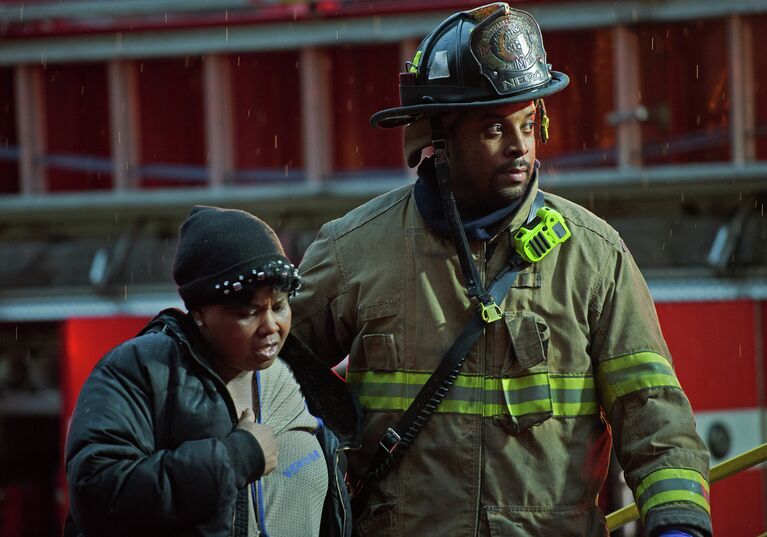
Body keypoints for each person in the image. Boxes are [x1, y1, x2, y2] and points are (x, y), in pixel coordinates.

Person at [289, 4, 712, 537]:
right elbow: (266, 375)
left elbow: (652, 412)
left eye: (528, 123)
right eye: (494, 127)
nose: (520, 147)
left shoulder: (594, 255)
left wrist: (678, 522)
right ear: (436, 139)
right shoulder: (355, 251)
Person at [64, 205, 361, 537]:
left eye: (279, 306)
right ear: (199, 312)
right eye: (248, 312)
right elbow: (96, 493)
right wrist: (235, 458)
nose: (271, 326)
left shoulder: (300, 379)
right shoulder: (139, 370)